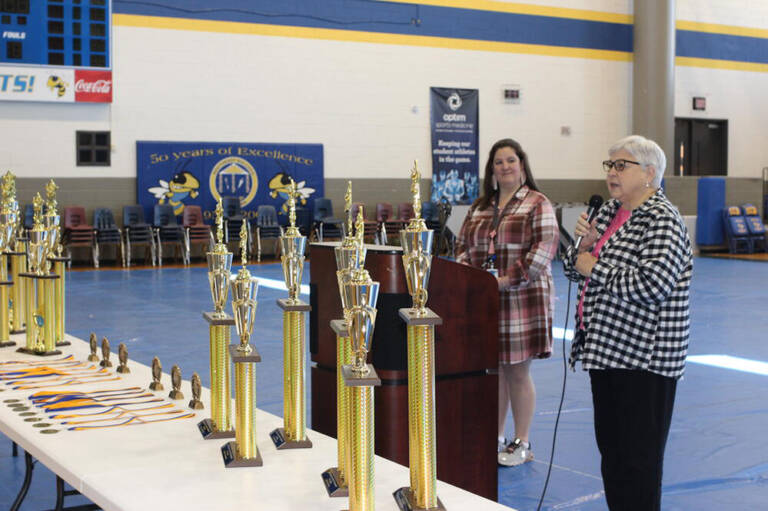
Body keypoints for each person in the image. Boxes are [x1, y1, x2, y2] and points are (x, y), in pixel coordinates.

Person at [564, 135, 692, 511]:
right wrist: (581, 251)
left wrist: (593, 265)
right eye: (610, 165)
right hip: (605, 352)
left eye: (622, 165)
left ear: (649, 173)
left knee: (638, 463)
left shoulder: (663, 220)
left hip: (645, 362)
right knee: (613, 457)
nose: (612, 173)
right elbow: (575, 268)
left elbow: (652, 285)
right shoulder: (608, 213)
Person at [455, 138, 559, 466]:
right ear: (491, 170)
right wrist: (469, 278)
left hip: (522, 299)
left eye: (511, 160)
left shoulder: (538, 203)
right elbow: (462, 245)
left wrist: (505, 280)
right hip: (486, 300)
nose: (505, 167)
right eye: (499, 162)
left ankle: (521, 441)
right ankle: (495, 435)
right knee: (494, 370)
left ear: (522, 166)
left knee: (516, 371)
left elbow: (544, 249)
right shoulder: (480, 207)